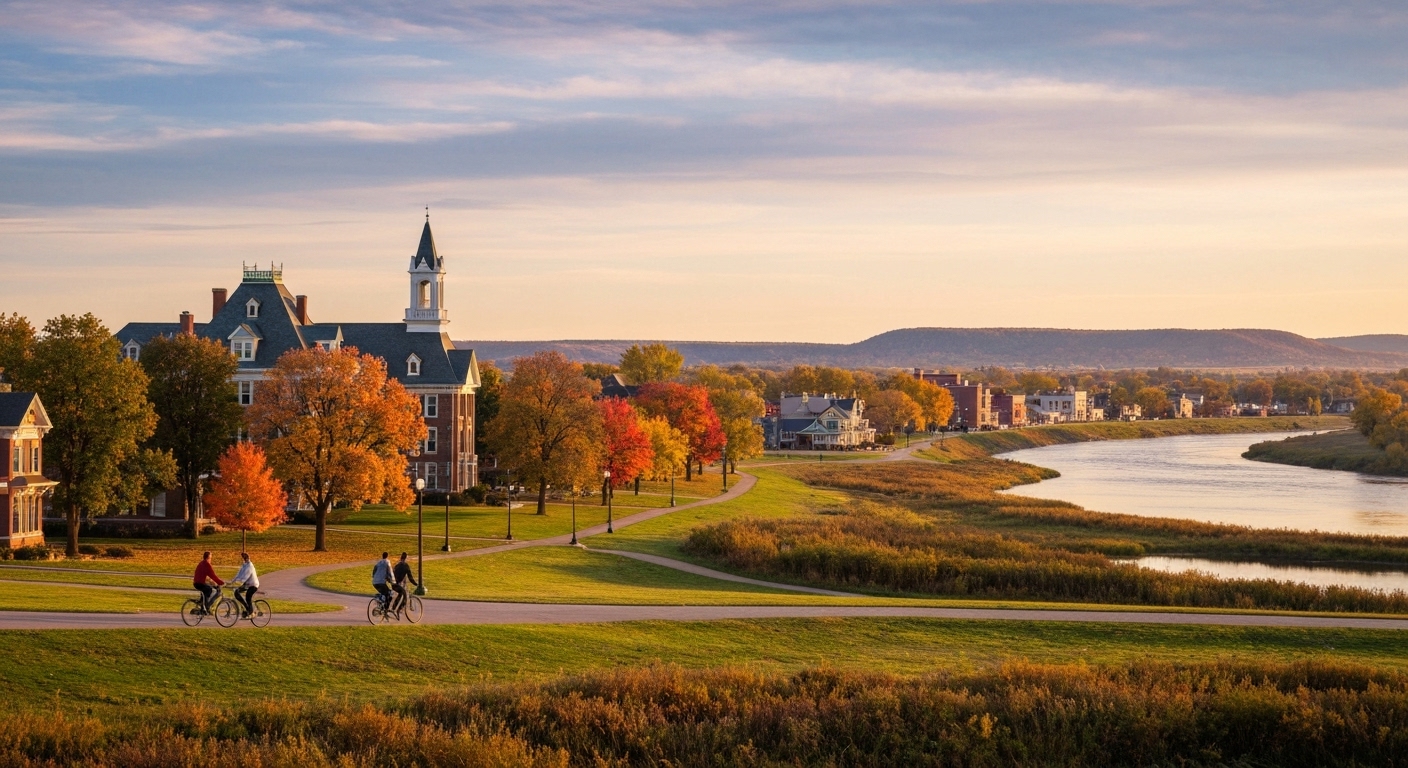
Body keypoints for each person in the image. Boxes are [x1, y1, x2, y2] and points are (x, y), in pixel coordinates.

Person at [231, 552, 259, 618]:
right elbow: (239, 574)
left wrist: (239, 582)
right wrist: (233, 580)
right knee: (236, 592)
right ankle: (246, 608)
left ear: (247, 558)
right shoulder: (244, 565)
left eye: (244, 558)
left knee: (248, 597)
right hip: (247, 584)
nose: (243, 559)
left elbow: (245, 577)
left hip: (253, 585)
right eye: (243, 558)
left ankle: (251, 613)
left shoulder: (250, 566)